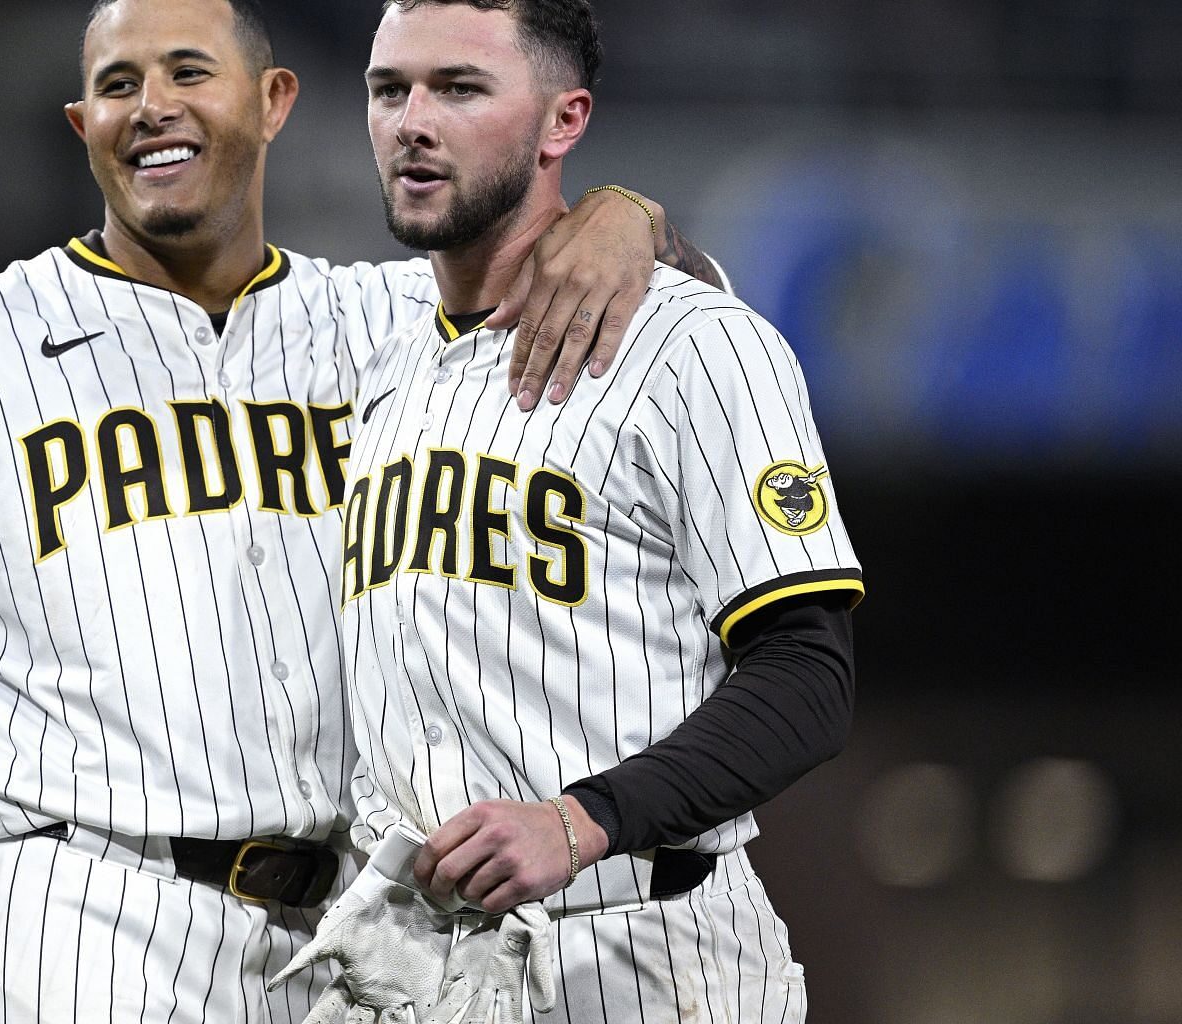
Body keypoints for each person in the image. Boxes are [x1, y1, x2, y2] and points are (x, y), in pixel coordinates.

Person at [0, 0, 734, 1020]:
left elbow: (678, 321)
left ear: (274, 101)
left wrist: (629, 217)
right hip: (59, 907)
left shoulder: (394, 323)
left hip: (338, 945)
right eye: (116, 85)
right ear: (81, 127)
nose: (152, 105)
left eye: (189, 71)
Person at [309, 1, 864, 1020]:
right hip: (410, 969)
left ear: (563, 122)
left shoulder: (697, 342)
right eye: (390, 90)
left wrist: (582, 820)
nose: (411, 122)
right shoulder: (367, 343)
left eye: (460, 88)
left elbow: (808, 678)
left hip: (646, 950)